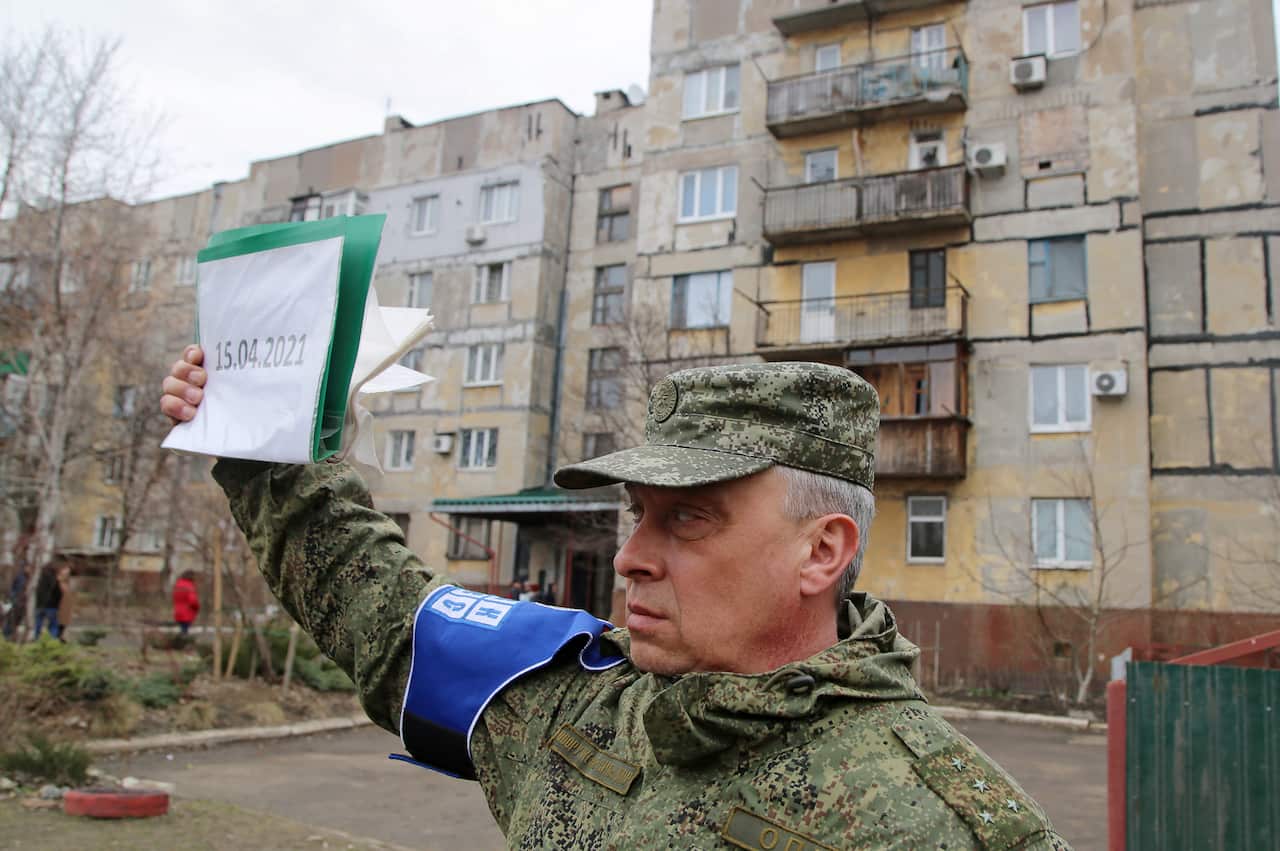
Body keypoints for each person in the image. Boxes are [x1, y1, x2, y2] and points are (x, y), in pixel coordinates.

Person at [161, 348, 1070, 849]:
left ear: (820, 550)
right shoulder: (577, 698)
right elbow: (381, 611)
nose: (630, 556)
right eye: (639, 514)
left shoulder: (933, 823)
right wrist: (264, 444)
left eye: (690, 519)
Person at [32, 563, 62, 639]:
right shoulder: (55, 580)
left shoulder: (40, 580)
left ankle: (36, 638)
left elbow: (37, 592)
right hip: (51, 606)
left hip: (40, 606)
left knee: (38, 624)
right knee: (53, 624)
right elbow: (58, 594)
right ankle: (52, 640)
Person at [2, 563, 29, 640]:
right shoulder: (20, 576)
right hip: (16, 601)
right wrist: (13, 597)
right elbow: (13, 587)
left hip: (22, 602)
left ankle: (10, 636)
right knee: (11, 619)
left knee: (17, 620)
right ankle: (6, 635)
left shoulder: (29, 577)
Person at [172, 571, 200, 635]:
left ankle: (181, 640)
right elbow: (193, 601)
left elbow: (174, 598)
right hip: (187, 612)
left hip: (178, 612)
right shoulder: (190, 586)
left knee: (183, 629)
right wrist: (197, 607)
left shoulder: (177, 585)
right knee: (185, 631)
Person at [55, 564, 74, 641]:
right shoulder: (59, 583)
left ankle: (60, 636)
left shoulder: (67, 584)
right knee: (59, 623)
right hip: (60, 608)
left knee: (63, 624)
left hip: (66, 609)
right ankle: (58, 637)